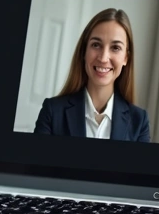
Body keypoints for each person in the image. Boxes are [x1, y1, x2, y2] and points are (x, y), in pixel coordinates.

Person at [34, 8, 150, 142]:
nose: (103, 58)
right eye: (96, 45)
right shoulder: (52, 111)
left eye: (115, 48)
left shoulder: (139, 121)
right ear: (84, 51)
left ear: (126, 58)